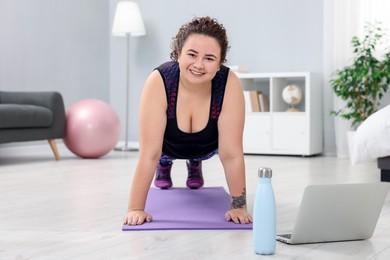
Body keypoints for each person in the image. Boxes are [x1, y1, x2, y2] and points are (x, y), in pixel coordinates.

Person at [124, 16, 252, 226]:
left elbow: (231, 154)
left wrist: (239, 206)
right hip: (167, 147)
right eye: (192, 54)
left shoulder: (229, 83)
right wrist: (135, 208)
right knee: (160, 160)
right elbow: (149, 154)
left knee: (200, 154)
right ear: (178, 54)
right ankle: (165, 166)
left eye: (210, 58)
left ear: (220, 64)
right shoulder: (159, 80)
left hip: (206, 146)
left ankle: (195, 162)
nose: (199, 65)